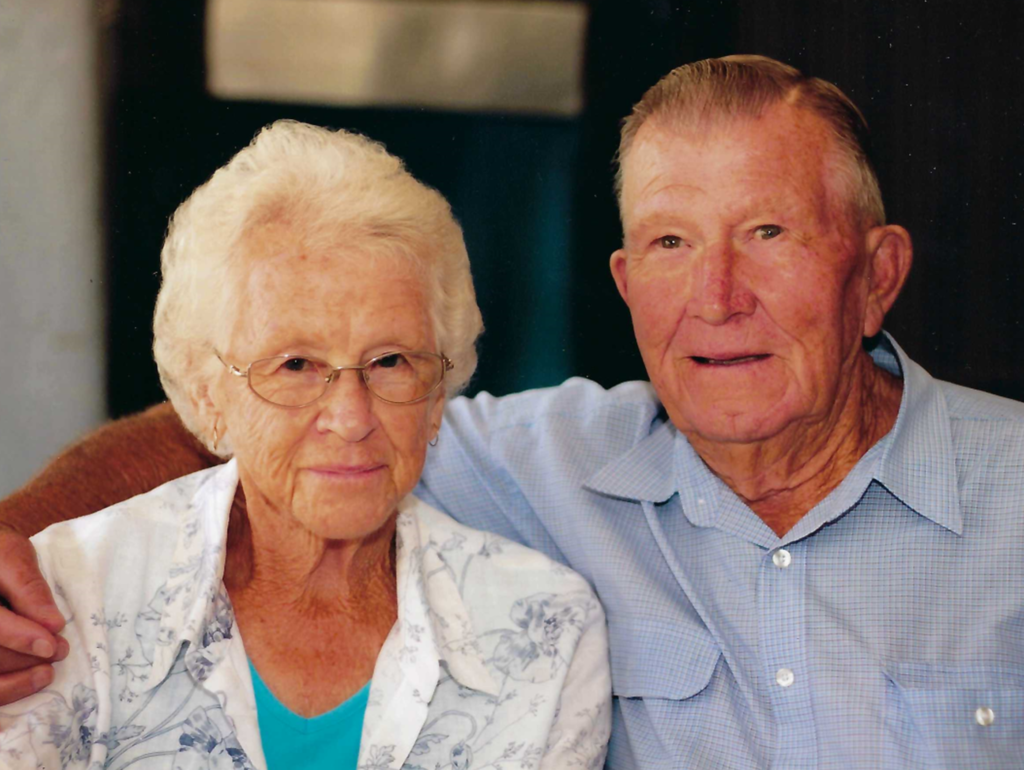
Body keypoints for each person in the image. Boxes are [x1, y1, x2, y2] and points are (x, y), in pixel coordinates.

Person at [2, 54, 1023, 768]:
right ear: (624, 282)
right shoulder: (530, 457)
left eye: (768, 231)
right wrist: (14, 536)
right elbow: (251, 422)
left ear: (877, 276)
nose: (717, 295)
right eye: (670, 244)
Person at [0, 120, 611, 769]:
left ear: (437, 396)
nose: (350, 417)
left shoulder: (545, 627)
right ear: (209, 395)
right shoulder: (69, 600)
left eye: (391, 361)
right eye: (295, 365)